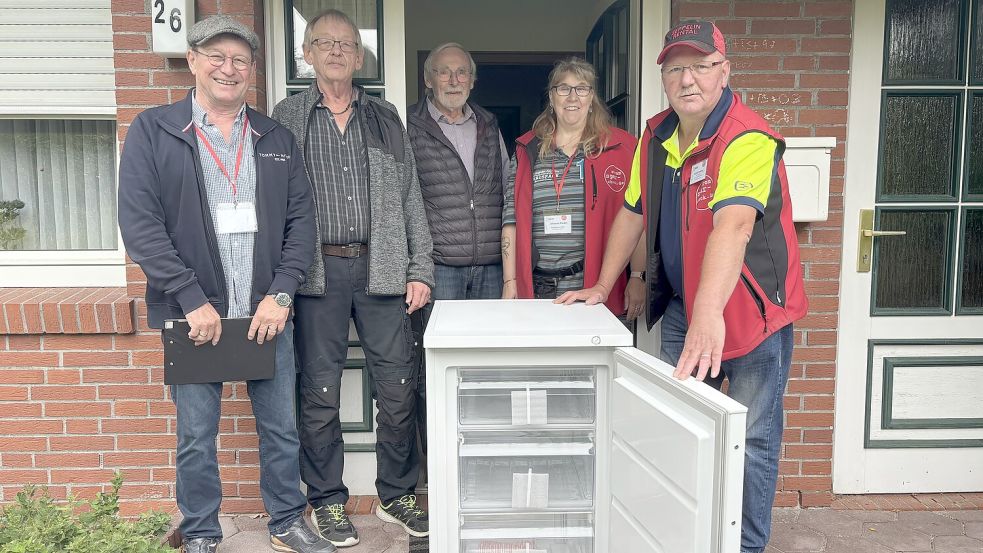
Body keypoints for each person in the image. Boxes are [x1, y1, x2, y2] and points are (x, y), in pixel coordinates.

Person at [557, 21, 808, 553]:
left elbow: (734, 225)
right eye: (675, 68)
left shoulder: (748, 137)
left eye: (699, 65)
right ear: (664, 78)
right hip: (689, 312)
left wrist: (707, 317)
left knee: (752, 441)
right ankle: (685, 537)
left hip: (751, 319)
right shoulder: (657, 135)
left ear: (724, 70)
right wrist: (604, 286)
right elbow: (633, 211)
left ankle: (746, 546)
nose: (687, 79)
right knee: (682, 430)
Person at [117, 15, 336, 553]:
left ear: (252, 71)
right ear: (192, 61)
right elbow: (141, 226)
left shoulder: (274, 136)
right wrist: (191, 300)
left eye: (240, 60)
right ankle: (201, 533)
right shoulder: (155, 129)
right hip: (195, 319)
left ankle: (286, 522)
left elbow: (300, 223)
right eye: (216, 56)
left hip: (267, 314)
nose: (228, 68)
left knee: (281, 429)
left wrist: (282, 294)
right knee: (195, 437)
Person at [271, 9, 433, 548]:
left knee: (398, 384)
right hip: (317, 274)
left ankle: (396, 494)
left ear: (360, 57)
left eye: (347, 44)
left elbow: (410, 196)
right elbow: (274, 203)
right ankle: (326, 501)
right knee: (318, 391)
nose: (337, 51)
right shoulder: (287, 116)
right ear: (307, 53)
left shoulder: (384, 115)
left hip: (382, 269)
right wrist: (280, 282)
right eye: (326, 43)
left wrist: (419, 268)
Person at [501, 57, 647, 322]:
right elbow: (510, 219)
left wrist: (637, 275)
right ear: (551, 97)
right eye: (563, 88)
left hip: (592, 285)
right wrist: (510, 281)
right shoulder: (527, 150)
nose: (572, 96)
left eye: (581, 88)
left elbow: (637, 217)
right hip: (538, 286)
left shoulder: (622, 148)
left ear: (592, 98)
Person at [407, 42, 509, 300]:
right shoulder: (408, 126)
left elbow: (508, 186)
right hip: (439, 266)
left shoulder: (488, 124)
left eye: (462, 72)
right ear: (428, 79)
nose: (454, 80)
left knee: (490, 340)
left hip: (491, 264)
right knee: (442, 340)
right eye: (444, 72)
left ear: (472, 81)